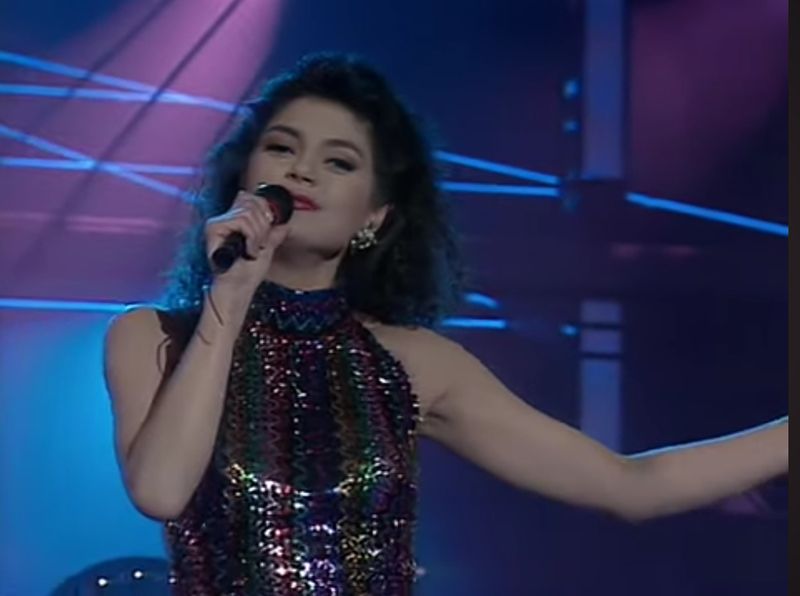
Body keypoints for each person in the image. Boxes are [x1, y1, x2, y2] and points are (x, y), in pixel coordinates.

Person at [103, 52, 788, 595]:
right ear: (245, 178)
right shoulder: (152, 338)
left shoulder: (413, 362)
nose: (303, 169)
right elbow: (161, 490)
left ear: (374, 218)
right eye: (282, 148)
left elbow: (630, 486)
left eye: (339, 161)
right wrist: (230, 297)